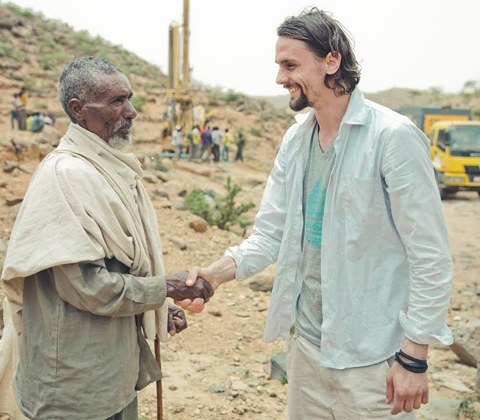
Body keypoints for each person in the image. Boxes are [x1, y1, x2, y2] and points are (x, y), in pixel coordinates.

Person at [181, 8, 453, 419]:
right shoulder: (295, 140)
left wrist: (414, 357)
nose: (279, 78)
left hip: (373, 361)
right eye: (278, 65)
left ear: (331, 61)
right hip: (306, 350)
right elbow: (270, 233)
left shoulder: (392, 138)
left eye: (290, 65)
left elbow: (430, 255)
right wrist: (214, 274)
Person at [0, 56, 214, 420]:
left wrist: (159, 304)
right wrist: (166, 288)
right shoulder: (65, 175)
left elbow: (121, 270)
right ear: (78, 110)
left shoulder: (107, 166)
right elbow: (89, 288)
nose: (131, 112)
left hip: (116, 375)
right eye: (116, 102)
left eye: (128, 99)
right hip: (75, 387)